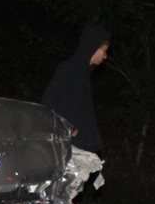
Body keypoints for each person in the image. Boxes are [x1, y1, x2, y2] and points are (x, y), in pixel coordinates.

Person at [40, 24, 110, 155]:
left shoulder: (84, 75)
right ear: (92, 48)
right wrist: (67, 127)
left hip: (82, 146)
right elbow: (48, 101)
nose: (105, 56)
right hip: (70, 146)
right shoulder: (68, 69)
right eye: (104, 51)